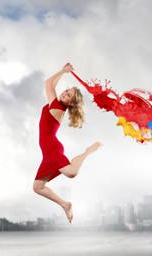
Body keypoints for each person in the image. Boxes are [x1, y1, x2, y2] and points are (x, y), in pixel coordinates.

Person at [32, 63, 102, 223]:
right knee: (38, 187)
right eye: (66, 91)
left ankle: (88, 150)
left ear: (70, 103)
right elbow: (52, 85)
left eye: (69, 94)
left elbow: (48, 84)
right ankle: (65, 205)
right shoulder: (55, 103)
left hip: (52, 150)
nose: (65, 93)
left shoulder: (57, 106)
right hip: (47, 153)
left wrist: (64, 71)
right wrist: (62, 73)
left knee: (71, 173)